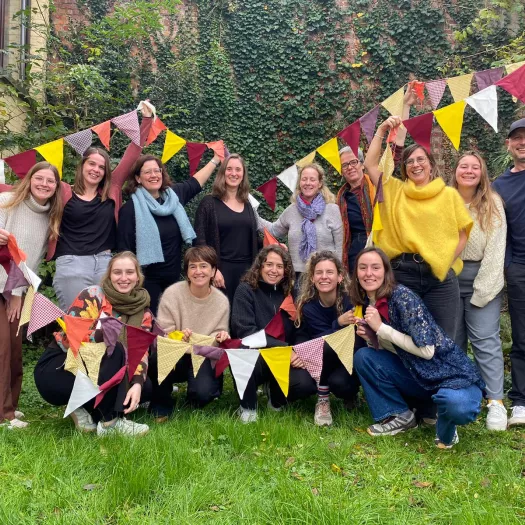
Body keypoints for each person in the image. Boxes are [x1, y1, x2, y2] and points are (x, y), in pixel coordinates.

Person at [351, 247, 484, 448]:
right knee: (364, 356)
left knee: (456, 405)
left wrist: (381, 328)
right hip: (420, 375)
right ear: (356, 273)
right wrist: (373, 336)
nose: (369, 273)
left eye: (375, 267)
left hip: (449, 375)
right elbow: (396, 349)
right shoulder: (368, 301)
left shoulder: (402, 297)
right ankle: (400, 416)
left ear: (386, 272)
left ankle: (445, 422)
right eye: (363, 268)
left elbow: (427, 351)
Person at [363, 115, 473, 339]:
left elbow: (463, 234)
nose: (416, 165)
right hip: (403, 275)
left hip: (440, 278)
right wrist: (383, 129)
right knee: (407, 340)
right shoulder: (393, 190)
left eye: (421, 159)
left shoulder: (448, 195)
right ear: (405, 168)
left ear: (430, 165)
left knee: (444, 341)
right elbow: (370, 164)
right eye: (410, 161)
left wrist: (447, 261)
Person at [34, 252, 154, 436]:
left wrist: (137, 383)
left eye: (129, 272)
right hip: (61, 367)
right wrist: (102, 335)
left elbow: (141, 351)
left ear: (137, 276)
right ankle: (110, 422)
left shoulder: (144, 312)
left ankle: (85, 408)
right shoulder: (93, 295)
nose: (123, 278)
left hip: (103, 370)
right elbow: (69, 338)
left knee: (144, 387)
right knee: (117, 347)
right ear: (109, 275)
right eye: (117, 272)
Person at [50, 103, 153, 312]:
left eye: (101, 167)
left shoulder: (111, 189)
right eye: (91, 164)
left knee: (104, 325)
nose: (96, 170)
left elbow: (133, 153)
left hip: (105, 264)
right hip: (71, 263)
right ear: (82, 166)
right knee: (78, 325)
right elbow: (30, 185)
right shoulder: (63, 191)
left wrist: (147, 121)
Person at [117, 153, 221, 314]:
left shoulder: (173, 198)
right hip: (145, 283)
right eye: (148, 172)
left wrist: (215, 160)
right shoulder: (130, 209)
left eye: (157, 171)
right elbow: (124, 252)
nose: (154, 175)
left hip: (173, 280)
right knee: (150, 329)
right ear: (138, 178)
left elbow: (195, 183)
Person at [0, 162, 62, 429]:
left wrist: (20, 292)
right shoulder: (7, 201)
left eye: (51, 181)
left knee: (14, 350)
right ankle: (4, 415)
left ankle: (11, 404)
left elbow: (31, 262)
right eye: (39, 178)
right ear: (29, 178)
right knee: (2, 348)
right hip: (2, 286)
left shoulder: (50, 215)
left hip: (20, 290)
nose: (44, 184)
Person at [452, 151, 507, 431]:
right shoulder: (445, 200)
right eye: (464, 166)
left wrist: (482, 290)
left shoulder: (492, 204)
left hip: (483, 276)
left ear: (482, 173)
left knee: (486, 341)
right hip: (449, 278)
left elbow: (497, 250)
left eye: (475, 167)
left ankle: (495, 403)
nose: (469, 171)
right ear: (456, 171)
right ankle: (459, 398)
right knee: (453, 341)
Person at [231, 246, 317, 422]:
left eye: (279, 266)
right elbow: (246, 331)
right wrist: (285, 348)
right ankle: (248, 407)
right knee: (241, 355)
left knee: (306, 384)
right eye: (269, 264)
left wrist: (299, 352)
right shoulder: (245, 290)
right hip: (256, 355)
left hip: (284, 356)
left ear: (286, 271)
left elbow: (301, 328)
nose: (274, 270)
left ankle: (276, 400)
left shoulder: (291, 293)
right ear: (260, 266)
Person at [148, 246, 230, 420]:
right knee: (157, 358)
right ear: (186, 271)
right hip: (176, 353)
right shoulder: (172, 294)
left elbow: (216, 340)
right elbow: (163, 334)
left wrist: (221, 337)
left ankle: (195, 395)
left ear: (213, 271)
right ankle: (161, 402)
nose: (198, 271)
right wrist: (178, 336)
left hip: (203, 355)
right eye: (193, 266)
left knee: (203, 394)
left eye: (204, 266)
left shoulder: (221, 301)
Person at [295, 251, 360, 426]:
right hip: (323, 359)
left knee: (341, 384)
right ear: (312, 278)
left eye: (330, 272)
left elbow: (355, 338)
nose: (324, 277)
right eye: (319, 272)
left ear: (339, 277)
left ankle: (351, 395)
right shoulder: (309, 307)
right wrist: (339, 322)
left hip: (348, 358)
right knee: (326, 343)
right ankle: (322, 399)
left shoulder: (351, 300)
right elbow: (321, 341)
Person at [493, 118, 525, 427]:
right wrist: (509, 266)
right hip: (520, 270)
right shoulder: (499, 186)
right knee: (522, 336)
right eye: (517, 138)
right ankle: (521, 401)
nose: (522, 142)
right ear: (509, 145)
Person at [256, 163, 343, 278]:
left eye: (312, 179)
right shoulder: (292, 210)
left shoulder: (332, 210)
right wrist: (250, 211)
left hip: (326, 275)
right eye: (304, 179)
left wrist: (339, 272)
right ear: (299, 183)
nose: (308, 183)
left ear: (320, 183)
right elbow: (273, 230)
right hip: (298, 277)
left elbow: (340, 246)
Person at [194, 154, 260, 304]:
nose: (234, 173)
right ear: (222, 173)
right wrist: (212, 270)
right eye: (229, 169)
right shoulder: (209, 203)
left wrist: (273, 246)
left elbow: (254, 239)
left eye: (238, 169)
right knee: (220, 318)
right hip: (220, 272)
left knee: (242, 317)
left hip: (246, 272)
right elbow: (199, 241)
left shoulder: (247, 204)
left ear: (243, 175)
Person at [336, 147, 376, 275]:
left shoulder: (378, 186)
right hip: (354, 254)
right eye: (345, 165)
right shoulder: (341, 198)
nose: (350, 167)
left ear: (362, 165)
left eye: (354, 162)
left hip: (379, 247)